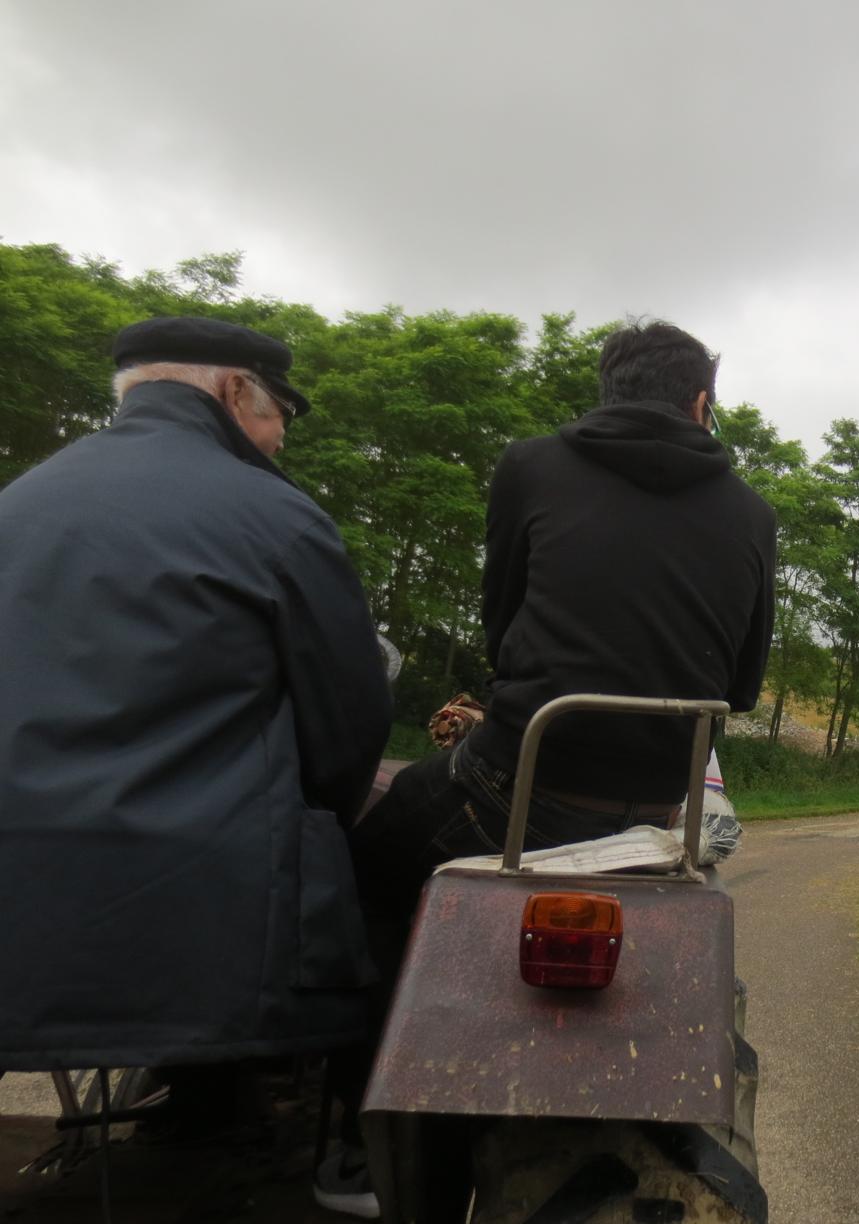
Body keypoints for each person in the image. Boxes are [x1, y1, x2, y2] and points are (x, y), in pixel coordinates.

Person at [336, 319, 775, 1212]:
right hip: (655, 812)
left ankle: (356, 1142)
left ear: (607, 392)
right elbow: (743, 685)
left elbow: (502, 629)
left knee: (366, 868)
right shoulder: (752, 511)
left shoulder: (531, 465)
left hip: (511, 792)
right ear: (701, 404)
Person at [0, 318, 391, 1091]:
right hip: (201, 930)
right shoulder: (275, 515)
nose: (279, 438)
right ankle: (346, 1149)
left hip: (19, 910)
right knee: (382, 862)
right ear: (234, 389)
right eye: (278, 412)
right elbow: (350, 724)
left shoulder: (17, 503)